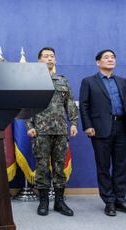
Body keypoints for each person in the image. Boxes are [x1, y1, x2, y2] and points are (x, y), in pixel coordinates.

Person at [26, 47, 78, 216]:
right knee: (42, 166)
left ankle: (59, 202)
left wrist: (74, 123)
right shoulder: (33, 81)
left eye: (52, 56)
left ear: (55, 60)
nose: (49, 58)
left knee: (59, 167)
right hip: (40, 130)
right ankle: (43, 202)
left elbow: (69, 103)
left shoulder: (62, 81)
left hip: (61, 130)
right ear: (39, 60)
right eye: (45, 56)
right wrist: (30, 126)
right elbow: (28, 106)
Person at [79, 49, 126, 216]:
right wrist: (87, 125)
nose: (110, 59)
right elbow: (84, 106)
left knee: (121, 166)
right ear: (98, 62)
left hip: (121, 127)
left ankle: (120, 199)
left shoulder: (122, 81)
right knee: (103, 166)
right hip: (100, 128)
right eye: (106, 57)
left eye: (113, 57)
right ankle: (109, 201)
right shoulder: (89, 82)